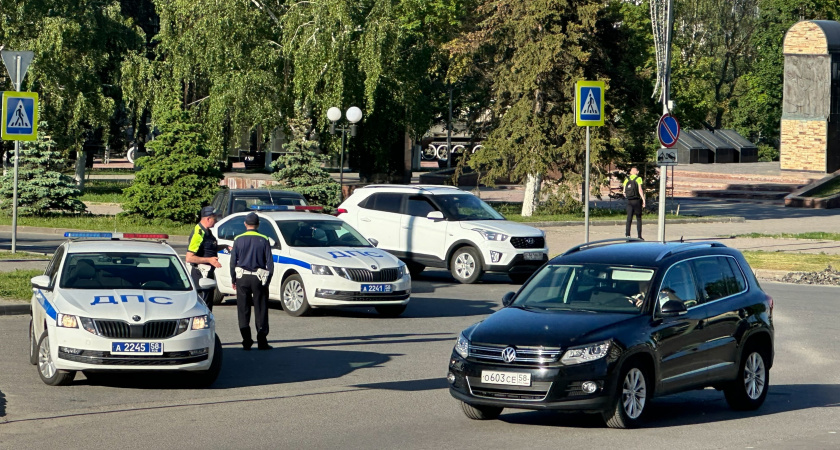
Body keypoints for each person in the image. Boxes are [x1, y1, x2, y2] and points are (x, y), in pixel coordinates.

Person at [229, 212, 274, 350]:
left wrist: (233, 278)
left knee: (243, 309)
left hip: (242, 277)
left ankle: (246, 340)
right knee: (261, 308)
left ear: (245, 224)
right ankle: (262, 340)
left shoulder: (238, 239)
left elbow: (232, 262)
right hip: (259, 278)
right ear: (258, 224)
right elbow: (270, 264)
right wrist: (268, 280)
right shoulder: (264, 239)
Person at [186, 206, 222, 311]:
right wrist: (209, 260)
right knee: (203, 307)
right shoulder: (198, 234)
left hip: (208, 275)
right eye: (215, 218)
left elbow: (208, 248)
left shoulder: (207, 231)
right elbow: (190, 258)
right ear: (208, 218)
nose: (216, 220)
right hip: (201, 275)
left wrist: (224, 247)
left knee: (208, 306)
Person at [623, 167, 646, 240]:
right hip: (636, 201)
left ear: (630, 172)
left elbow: (624, 192)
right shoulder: (638, 179)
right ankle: (639, 236)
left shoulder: (627, 179)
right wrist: (643, 199)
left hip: (629, 201)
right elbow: (640, 190)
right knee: (638, 218)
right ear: (636, 172)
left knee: (629, 218)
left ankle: (627, 235)